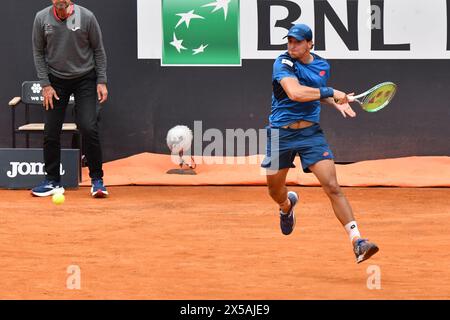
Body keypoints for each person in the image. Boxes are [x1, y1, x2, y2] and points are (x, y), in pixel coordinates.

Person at [261, 24, 379, 263]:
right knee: (274, 190)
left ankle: (357, 241)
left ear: (310, 44)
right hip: (279, 135)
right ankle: (286, 206)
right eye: (290, 41)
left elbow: (315, 92)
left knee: (332, 185)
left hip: (310, 135)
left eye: (297, 42)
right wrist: (332, 91)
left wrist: (333, 101)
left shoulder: (322, 66)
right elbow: (295, 93)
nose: (292, 45)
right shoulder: (282, 63)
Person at [31, 0, 109, 198]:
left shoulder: (87, 17)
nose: (60, 1)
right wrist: (45, 84)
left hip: (85, 78)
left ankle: (97, 180)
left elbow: (98, 50)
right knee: (50, 130)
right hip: (56, 81)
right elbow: (38, 53)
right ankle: (52, 181)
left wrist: (101, 80)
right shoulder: (41, 18)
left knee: (88, 126)